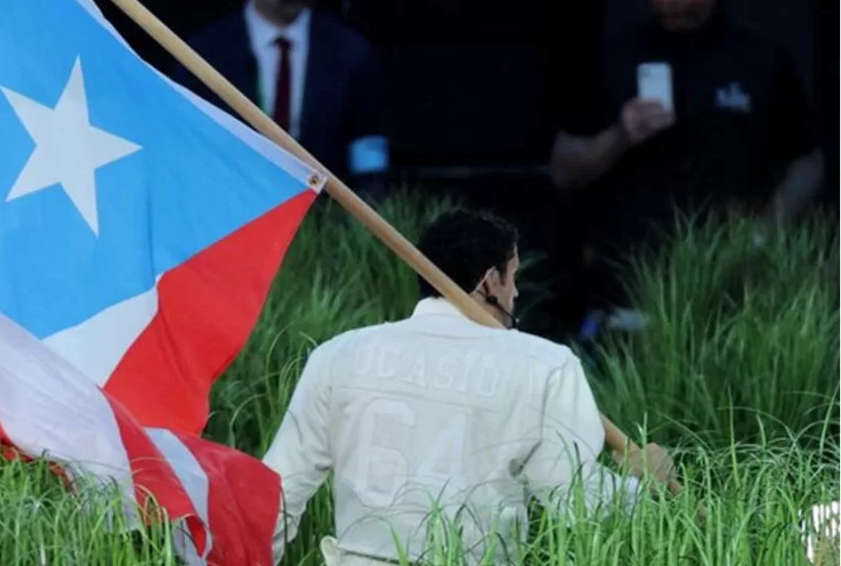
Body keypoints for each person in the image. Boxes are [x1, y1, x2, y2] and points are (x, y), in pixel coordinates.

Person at [262, 210, 674, 565]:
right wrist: (644, 486)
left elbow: (277, 495)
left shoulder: (339, 354)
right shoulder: (546, 365)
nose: (516, 291)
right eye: (513, 276)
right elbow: (579, 503)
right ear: (490, 281)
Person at [550, 0, 825, 318]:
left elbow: (808, 161)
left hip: (732, 273)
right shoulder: (614, 58)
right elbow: (563, 171)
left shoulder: (762, 61)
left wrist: (765, 233)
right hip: (628, 274)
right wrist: (620, 135)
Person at [170, 0, 390, 192]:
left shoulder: (351, 53)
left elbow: (369, 160)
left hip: (326, 212)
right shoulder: (204, 54)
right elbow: (184, 149)